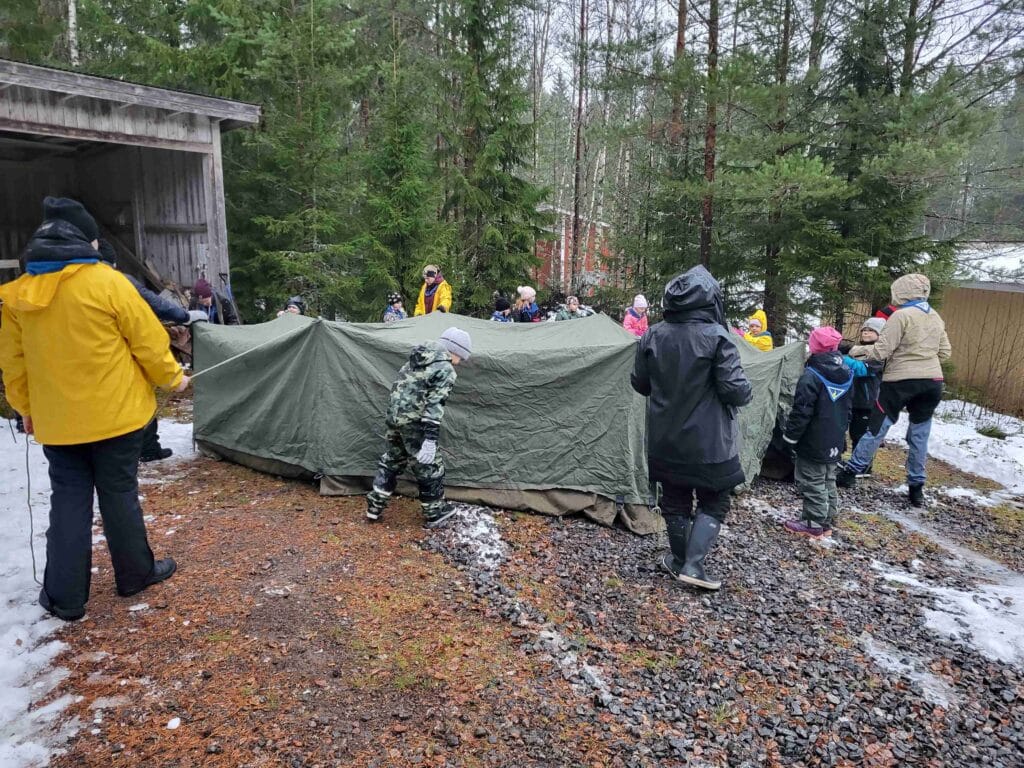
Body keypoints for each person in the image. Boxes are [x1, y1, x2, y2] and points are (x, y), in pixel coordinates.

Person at [0, 197, 187, 621]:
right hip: (117, 417)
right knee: (119, 494)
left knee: (68, 499)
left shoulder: (17, 295)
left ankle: (64, 598)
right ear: (89, 240)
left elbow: (13, 364)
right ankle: (135, 575)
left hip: (57, 424)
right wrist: (173, 378)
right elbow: (148, 343)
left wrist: (25, 408)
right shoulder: (108, 282)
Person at [631, 266, 752, 591]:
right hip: (710, 441)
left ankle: (681, 561)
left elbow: (640, 383)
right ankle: (693, 566)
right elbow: (735, 390)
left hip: (666, 437)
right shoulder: (717, 336)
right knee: (715, 500)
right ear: (711, 299)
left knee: (675, 500)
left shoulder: (652, 334)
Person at [837, 274, 952, 507]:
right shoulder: (936, 317)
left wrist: (852, 351)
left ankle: (851, 472)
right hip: (932, 382)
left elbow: (880, 351)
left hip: (900, 381)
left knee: (877, 428)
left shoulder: (901, 316)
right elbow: (945, 353)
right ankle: (916, 487)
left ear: (901, 292)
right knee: (919, 434)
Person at [97, 239, 207, 462]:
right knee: (138, 400)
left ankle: (132, 450)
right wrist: (184, 317)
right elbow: (154, 309)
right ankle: (146, 449)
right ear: (112, 263)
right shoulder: (116, 282)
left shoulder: (46, 282)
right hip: (119, 357)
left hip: (80, 377)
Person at [365, 327, 472, 528]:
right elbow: (434, 404)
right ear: (455, 351)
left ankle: (374, 507)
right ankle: (435, 512)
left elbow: (398, 389)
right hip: (416, 423)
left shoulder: (416, 358)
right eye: (462, 358)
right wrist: (430, 440)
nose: (460, 363)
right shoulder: (445, 368)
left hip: (394, 418)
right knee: (430, 467)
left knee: (392, 461)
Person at [781, 327, 853, 539]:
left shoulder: (811, 376)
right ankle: (828, 517)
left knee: (811, 479)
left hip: (813, 440)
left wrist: (791, 436)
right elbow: (848, 409)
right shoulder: (847, 373)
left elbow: (801, 411)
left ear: (814, 347)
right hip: (835, 438)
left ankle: (814, 521)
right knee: (828, 478)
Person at [842, 317, 885, 473]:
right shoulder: (855, 349)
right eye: (864, 330)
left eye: (871, 330)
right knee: (850, 432)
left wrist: (842, 360)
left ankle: (864, 466)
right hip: (852, 399)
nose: (866, 332)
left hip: (867, 402)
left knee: (861, 435)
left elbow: (863, 370)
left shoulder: (880, 354)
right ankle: (852, 462)